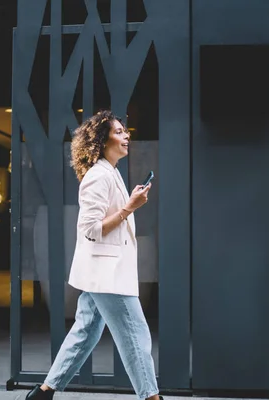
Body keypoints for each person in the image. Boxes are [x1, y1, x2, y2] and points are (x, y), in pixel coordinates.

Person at [26, 110, 160, 400]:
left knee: (85, 332)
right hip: (108, 276)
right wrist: (130, 207)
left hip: (104, 273)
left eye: (126, 131)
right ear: (101, 140)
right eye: (119, 132)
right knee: (136, 337)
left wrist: (129, 201)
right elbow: (90, 229)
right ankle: (152, 397)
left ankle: (44, 392)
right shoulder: (98, 176)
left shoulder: (108, 172)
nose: (127, 135)